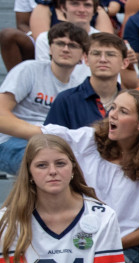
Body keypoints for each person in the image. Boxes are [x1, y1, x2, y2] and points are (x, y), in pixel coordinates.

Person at [40, 90, 139, 263]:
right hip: (76, 243)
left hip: (124, 249)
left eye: (123, 111)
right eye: (113, 108)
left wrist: (109, 244)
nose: (112, 114)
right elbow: (42, 137)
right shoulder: (90, 141)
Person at [0, 22, 90, 174]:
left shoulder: (80, 86)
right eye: (60, 43)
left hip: (56, 146)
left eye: (73, 46)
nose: (66, 49)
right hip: (13, 142)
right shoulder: (29, 70)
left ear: (83, 55)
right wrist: (43, 133)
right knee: (48, 163)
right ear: (50, 48)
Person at [44, 32, 124, 130]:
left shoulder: (132, 103)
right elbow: (51, 140)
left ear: (124, 62)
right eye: (96, 54)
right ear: (86, 59)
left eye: (110, 54)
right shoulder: (65, 100)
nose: (103, 59)